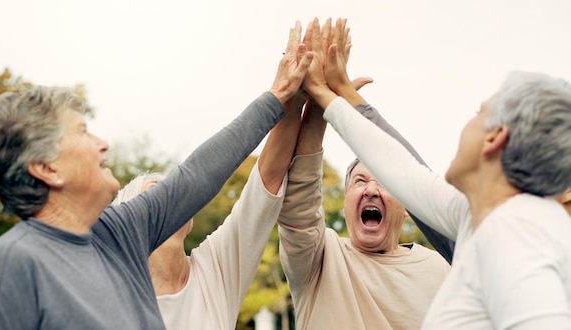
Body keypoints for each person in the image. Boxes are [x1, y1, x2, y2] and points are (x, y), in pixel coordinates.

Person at [0, 21, 313, 330]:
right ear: (47, 168)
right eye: (82, 132)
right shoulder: (9, 269)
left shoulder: (119, 233)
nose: (102, 144)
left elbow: (196, 175)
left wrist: (278, 96)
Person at [307, 17, 571, 329]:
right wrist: (331, 94)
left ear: (494, 138)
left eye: (478, 114)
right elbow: (401, 169)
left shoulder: (518, 238)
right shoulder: (486, 217)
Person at [277, 18, 450, 330]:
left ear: (409, 207)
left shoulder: (441, 269)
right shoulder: (319, 258)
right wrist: (319, 105)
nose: (371, 189)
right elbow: (298, 203)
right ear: (345, 204)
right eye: (360, 181)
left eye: (383, 181)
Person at [109, 71, 307, 329]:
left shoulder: (214, 271)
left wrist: (295, 98)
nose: (164, 207)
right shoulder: (110, 293)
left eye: (170, 199)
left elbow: (265, 183)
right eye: (150, 202)